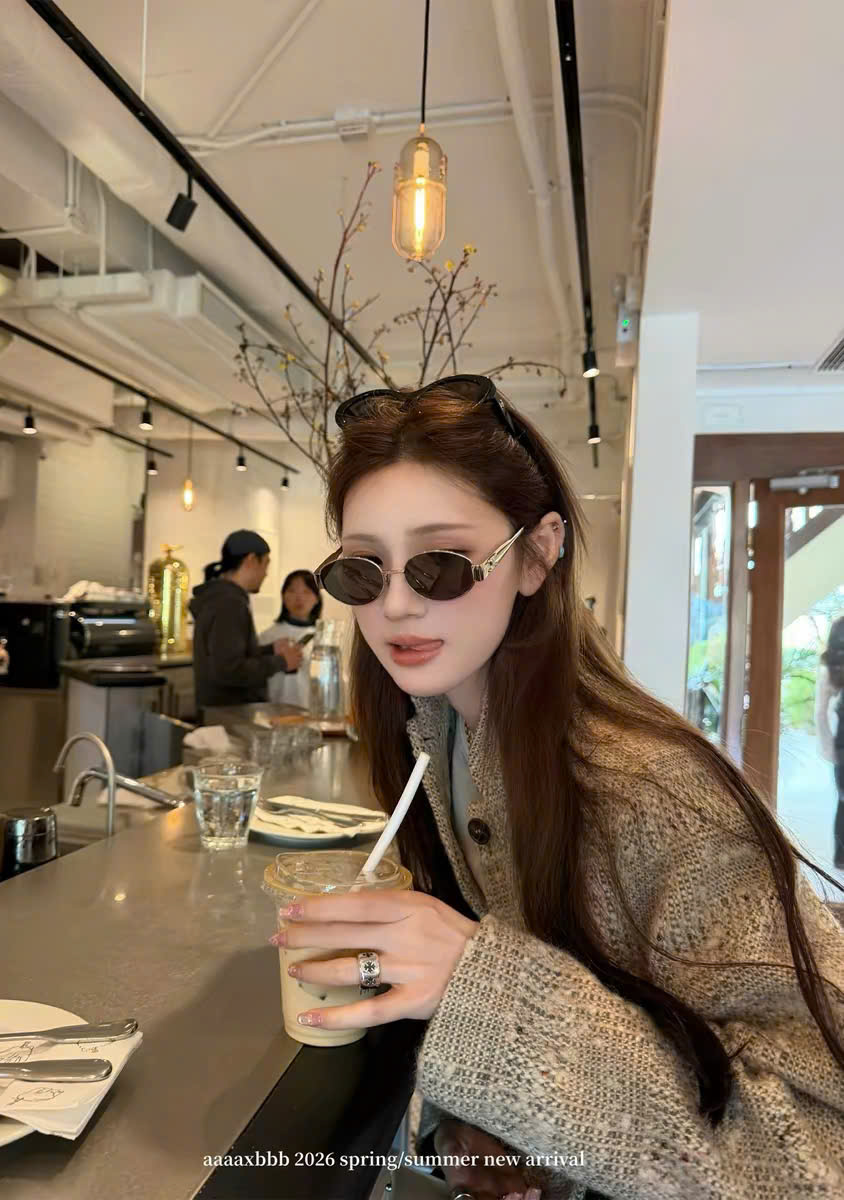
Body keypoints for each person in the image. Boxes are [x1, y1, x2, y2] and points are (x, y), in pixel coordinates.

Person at [269, 377, 844, 1200]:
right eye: (364, 570)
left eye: (441, 566)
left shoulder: (655, 794)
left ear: (537, 555)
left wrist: (489, 1001)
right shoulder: (439, 731)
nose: (394, 605)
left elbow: (817, 1158)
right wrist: (491, 1119)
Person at [189, 530, 302, 724]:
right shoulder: (229, 603)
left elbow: (226, 655)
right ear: (251, 560)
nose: (266, 573)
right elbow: (229, 670)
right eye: (266, 563)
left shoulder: (220, 598)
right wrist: (282, 662)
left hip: (219, 715)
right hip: (229, 717)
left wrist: (269, 650)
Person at [259, 570, 322, 708]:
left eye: (306, 592)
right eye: (292, 591)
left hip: (313, 712)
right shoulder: (268, 637)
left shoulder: (325, 638)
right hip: (273, 711)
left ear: (317, 598)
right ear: (283, 596)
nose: (299, 598)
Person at [816, 615, 844, 868]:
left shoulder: (831, 668)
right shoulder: (831, 668)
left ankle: (841, 858)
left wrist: (828, 747)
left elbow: (821, 713)